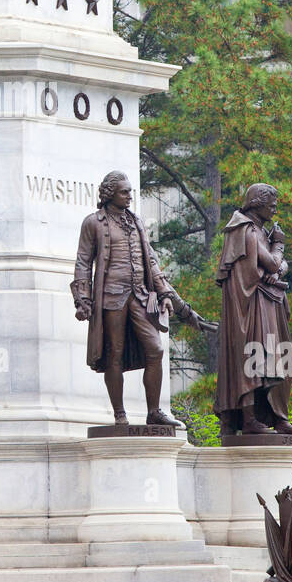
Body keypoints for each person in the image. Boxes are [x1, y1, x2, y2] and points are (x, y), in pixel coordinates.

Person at [72, 170, 214, 426]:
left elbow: (151, 261)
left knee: (156, 349)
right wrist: (83, 299)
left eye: (130, 191)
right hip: (111, 298)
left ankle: (154, 412)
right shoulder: (93, 222)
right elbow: (83, 261)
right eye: (124, 192)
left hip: (139, 295)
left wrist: (165, 294)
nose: (129, 196)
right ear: (110, 194)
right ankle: (119, 414)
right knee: (113, 353)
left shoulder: (136, 221)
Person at [214, 183, 292, 437]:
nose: (274, 209)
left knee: (278, 357)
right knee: (259, 357)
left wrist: (275, 268)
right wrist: (280, 246)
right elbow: (274, 264)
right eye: (270, 204)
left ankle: (278, 417)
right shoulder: (246, 230)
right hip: (251, 307)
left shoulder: (256, 230)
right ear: (256, 203)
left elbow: (272, 268)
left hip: (266, 302)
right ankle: (250, 417)